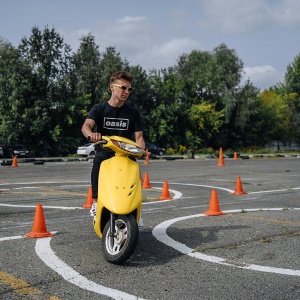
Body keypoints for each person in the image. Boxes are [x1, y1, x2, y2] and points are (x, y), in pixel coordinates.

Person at [81, 71, 145, 217]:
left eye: (129, 89)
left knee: (135, 170)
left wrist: (142, 150)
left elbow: (139, 136)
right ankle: (96, 202)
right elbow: (86, 126)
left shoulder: (133, 113)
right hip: (106, 151)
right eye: (123, 88)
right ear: (112, 87)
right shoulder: (99, 109)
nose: (126, 92)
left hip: (126, 152)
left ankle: (135, 210)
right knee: (98, 160)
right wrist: (91, 135)